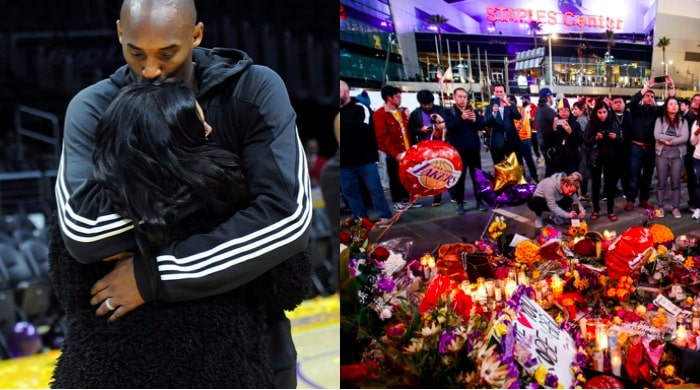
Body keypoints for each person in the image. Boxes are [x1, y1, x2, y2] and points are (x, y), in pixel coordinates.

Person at [53, 1, 311, 387]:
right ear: (120, 33)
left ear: (196, 35)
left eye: (167, 53)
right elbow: (86, 232)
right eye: (136, 52)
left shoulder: (252, 90)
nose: (151, 70)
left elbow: (286, 219)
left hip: (248, 345)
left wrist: (155, 273)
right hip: (125, 354)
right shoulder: (93, 107)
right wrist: (222, 186)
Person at [339, 80, 393, 226]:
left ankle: (385, 215)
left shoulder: (360, 108)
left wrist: (341, 122)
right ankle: (360, 217)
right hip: (343, 160)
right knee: (349, 191)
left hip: (365, 158)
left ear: (346, 92)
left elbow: (362, 129)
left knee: (374, 188)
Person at [627, 76, 675, 211]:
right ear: (643, 98)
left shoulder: (657, 111)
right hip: (635, 147)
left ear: (654, 100)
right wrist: (647, 86)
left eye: (651, 96)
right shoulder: (636, 109)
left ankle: (644, 199)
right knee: (633, 174)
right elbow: (632, 102)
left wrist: (671, 86)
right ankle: (631, 199)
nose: (649, 97)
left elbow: (670, 103)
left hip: (651, 148)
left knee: (648, 175)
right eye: (647, 96)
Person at [374, 84, 420, 211]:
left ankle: (407, 198)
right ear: (389, 98)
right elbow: (382, 137)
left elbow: (407, 130)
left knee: (408, 175)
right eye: (397, 96)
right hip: (392, 152)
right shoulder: (380, 114)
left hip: (407, 149)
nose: (400, 99)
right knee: (394, 176)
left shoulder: (402, 112)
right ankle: (397, 200)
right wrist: (395, 153)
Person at [444, 87, 488, 214]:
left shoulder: (472, 110)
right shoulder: (450, 112)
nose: (463, 99)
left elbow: (482, 125)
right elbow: (450, 126)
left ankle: (480, 200)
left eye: (464, 97)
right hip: (459, 151)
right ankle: (459, 202)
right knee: (460, 179)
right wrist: (461, 118)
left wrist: (475, 120)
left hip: (473, 150)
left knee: (477, 177)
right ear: (454, 98)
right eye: (460, 96)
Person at [585, 100, 623, 222]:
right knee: (595, 185)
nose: (602, 115)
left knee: (610, 185)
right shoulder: (591, 124)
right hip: (596, 158)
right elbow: (586, 141)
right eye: (599, 112)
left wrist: (615, 137)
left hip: (610, 157)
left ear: (608, 112)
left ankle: (610, 210)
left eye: (604, 112)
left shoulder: (613, 122)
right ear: (595, 113)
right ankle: (596, 209)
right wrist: (595, 138)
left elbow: (621, 139)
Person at [409, 89, 447, 206]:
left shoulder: (441, 110)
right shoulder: (415, 114)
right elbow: (411, 129)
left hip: (442, 145)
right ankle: (436, 196)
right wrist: (420, 130)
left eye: (429, 104)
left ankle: (452, 194)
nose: (427, 106)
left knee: (445, 169)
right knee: (431, 171)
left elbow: (449, 124)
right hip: (426, 147)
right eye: (424, 104)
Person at [654, 96, 689, 219]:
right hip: (662, 153)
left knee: (676, 182)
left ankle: (675, 208)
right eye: (671, 104)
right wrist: (675, 139)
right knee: (661, 182)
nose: (674, 106)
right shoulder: (660, 120)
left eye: (676, 104)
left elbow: (685, 137)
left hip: (677, 154)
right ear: (666, 107)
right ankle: (660, 207)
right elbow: (657, 135)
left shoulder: (683, 121)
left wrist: (669, 141)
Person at [484, 83, 522, 164]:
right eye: (497, 92)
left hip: (512, 141)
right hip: (497, 142)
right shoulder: (489, 107)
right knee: (499, 167)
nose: (499, 94)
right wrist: (494, 113)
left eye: (501, 92)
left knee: (515, 165)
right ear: (494, 93)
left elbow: (518, 117)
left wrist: (509, 105)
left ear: (504, 93)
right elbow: (487, 123)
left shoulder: (510, 105)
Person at [509, 94, 538, 182]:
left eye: (509, 101)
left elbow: (521, 124)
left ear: (513, 102)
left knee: (529, 160)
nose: (508, 103)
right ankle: (523, 178)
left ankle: (534, 177)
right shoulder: (508, 111)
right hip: (515, 141)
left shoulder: (521, 110)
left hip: (524, 139)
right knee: (519, 161)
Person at [535, 87, 558, 177]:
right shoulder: (548, 110)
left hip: (542, 143)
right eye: (551, 96)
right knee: (552, 169)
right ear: (548, 97)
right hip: (548, 144)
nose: (552, 98)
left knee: (549, 167)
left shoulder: (538, 110)